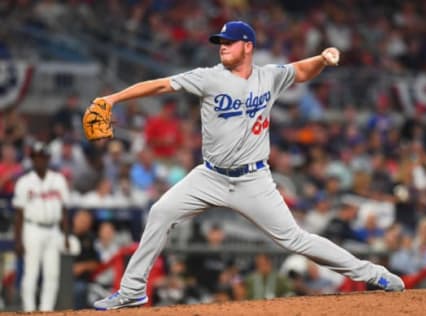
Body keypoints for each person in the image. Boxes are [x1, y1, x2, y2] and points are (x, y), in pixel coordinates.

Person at [92, 21, 404, 310]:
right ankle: (132, 290)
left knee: (294, 238)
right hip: (210, 175)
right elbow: (161, 85)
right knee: (160, 212)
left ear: (248, 46)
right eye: (220, 42)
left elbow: (301, 71)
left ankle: (372, 273)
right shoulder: (209, 77)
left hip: (253, 179)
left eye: (229, 42)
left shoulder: (268, 76)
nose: (222, 46)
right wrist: (114, 99)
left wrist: (322, 58)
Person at [13, 141, 70, 311]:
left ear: (48, 159)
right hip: (32, 229)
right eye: (37, 157)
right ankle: (29, 310)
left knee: (52, 273)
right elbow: (19, 214)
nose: (40, 161)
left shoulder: (58, 179)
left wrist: (66, 236)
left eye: (43, 157)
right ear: (32, 160)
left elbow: (64, 210)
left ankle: (47, 310)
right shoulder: (24, 182)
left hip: (53, 230)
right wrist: (18, 240)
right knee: (31, 272)